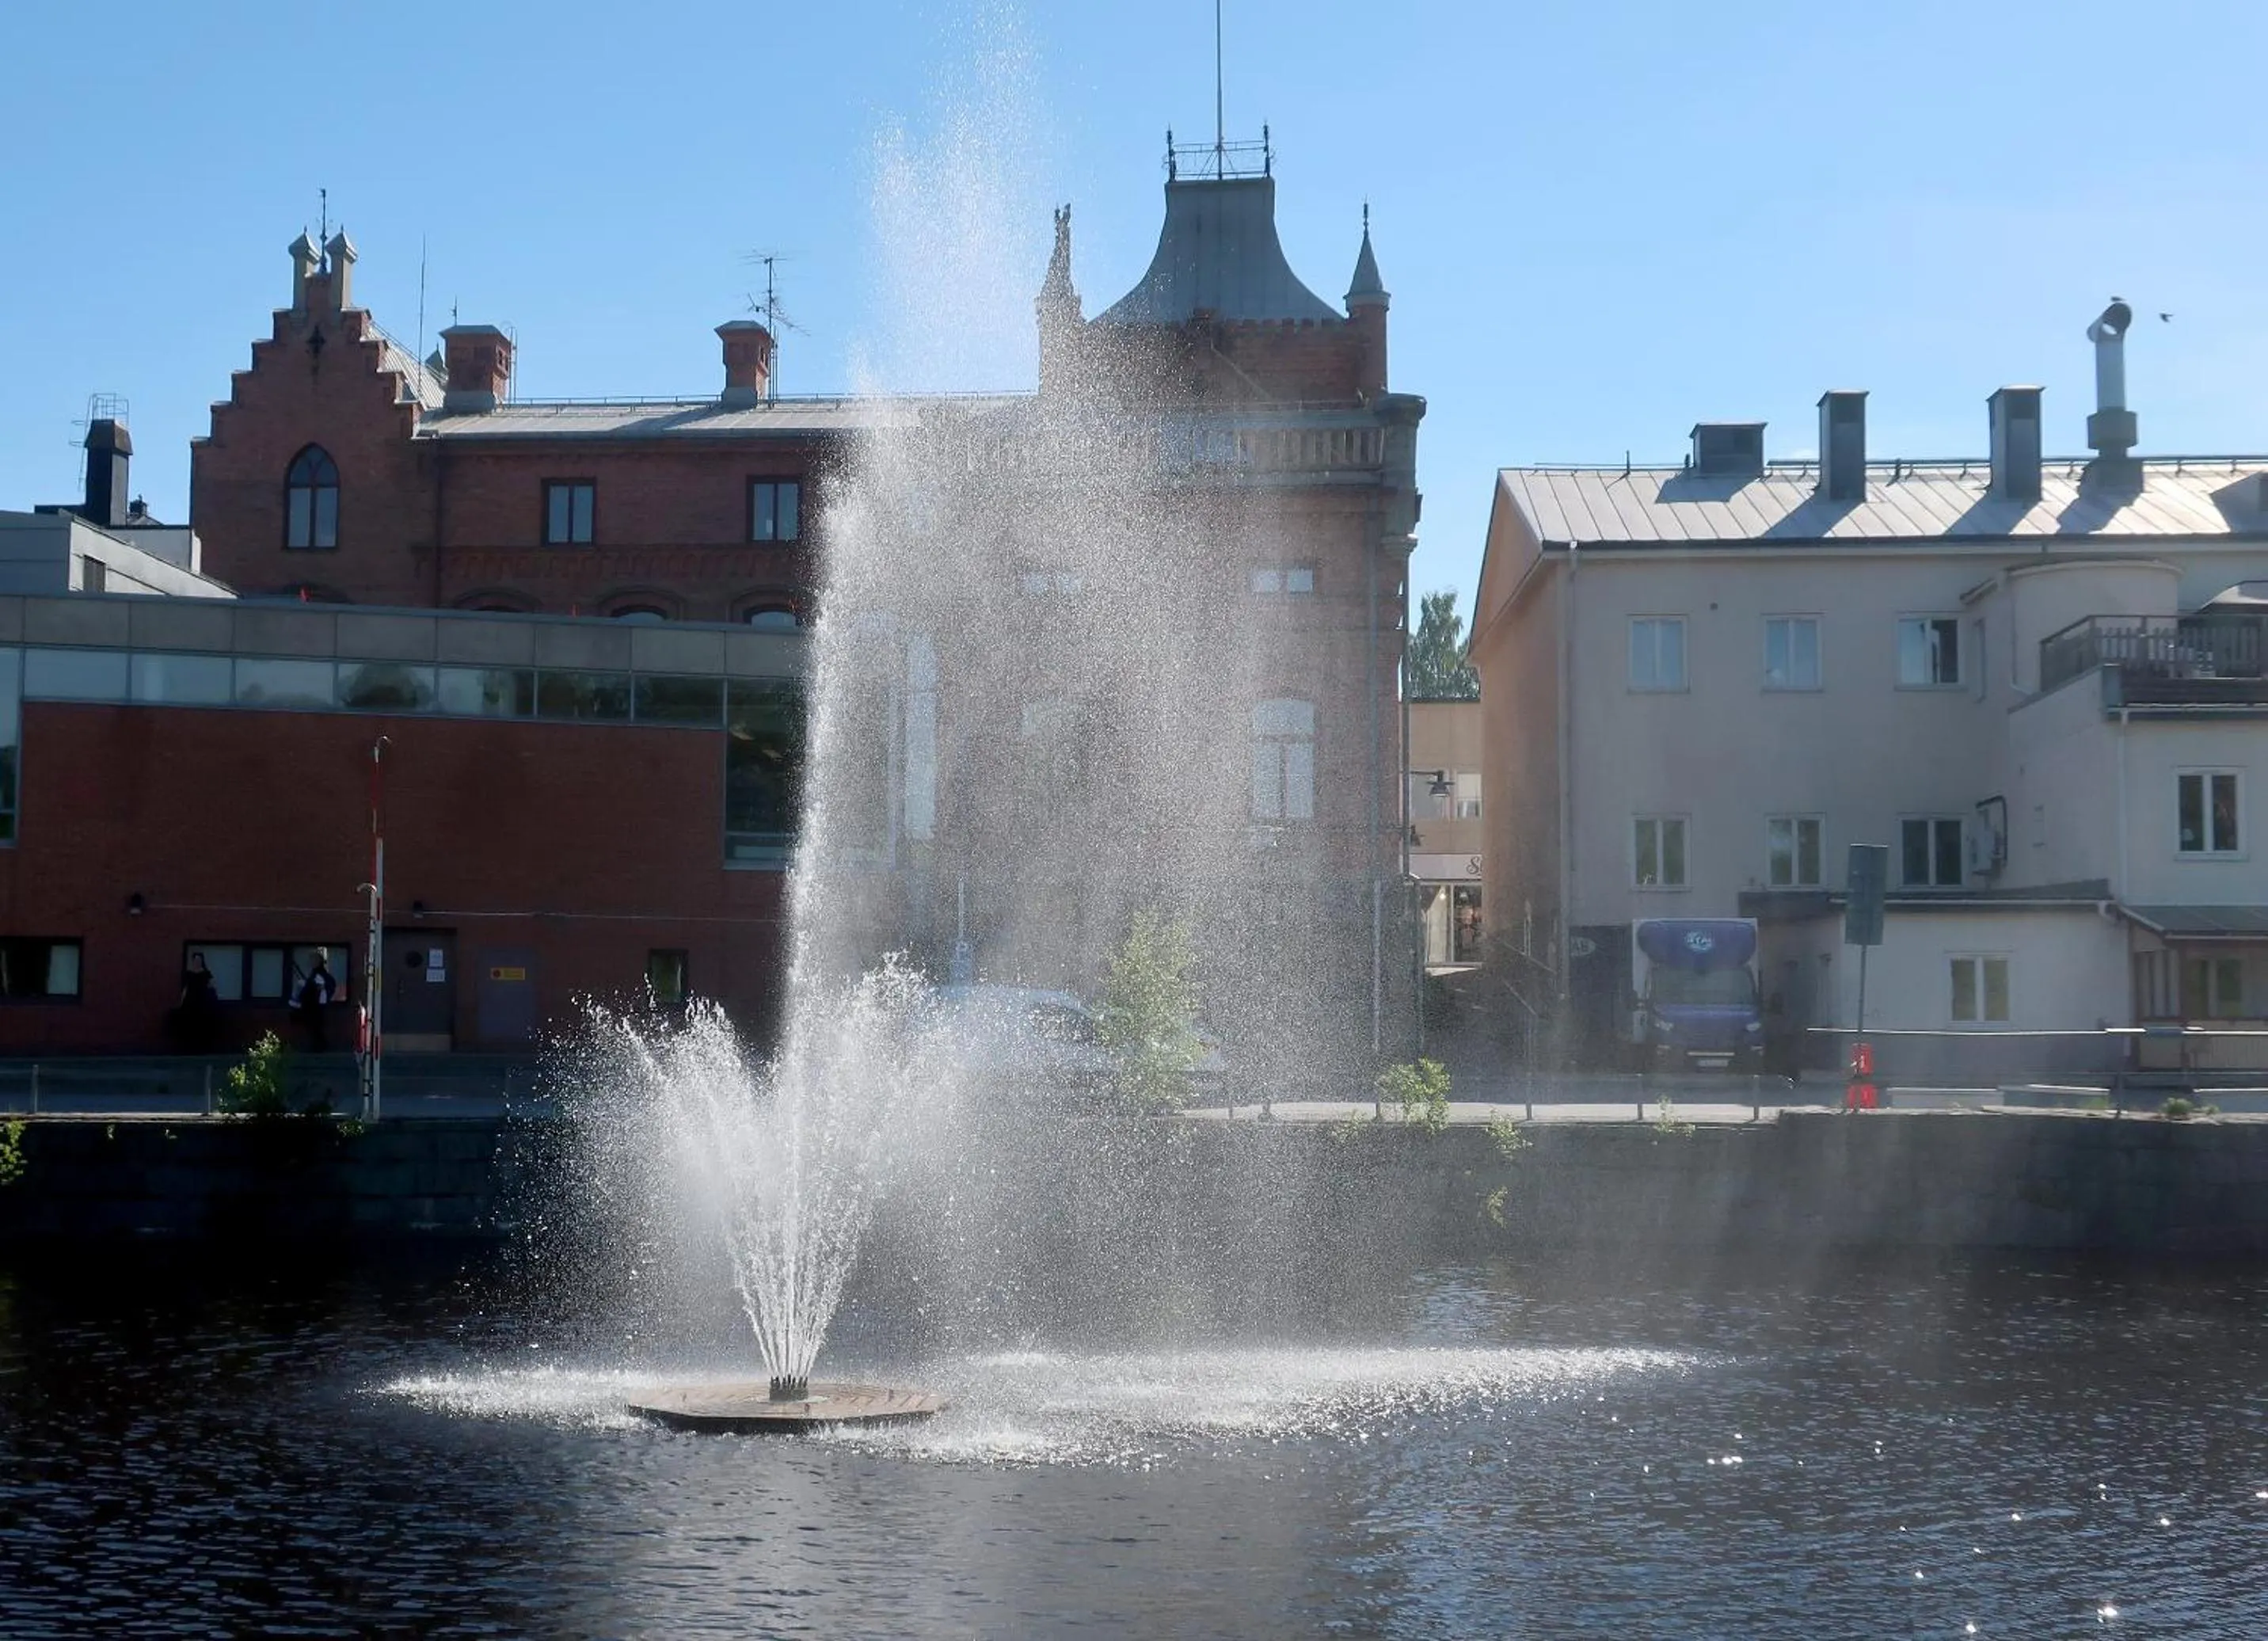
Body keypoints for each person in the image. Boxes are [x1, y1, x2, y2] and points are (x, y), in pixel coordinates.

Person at [174, 951, 220, 1053]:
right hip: (190, 1000)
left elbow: (212, 985)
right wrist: (181, 1002)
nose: (197, 962)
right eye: (195, 960)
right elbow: (185, 989)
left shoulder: (206, 973)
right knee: (190, 1023)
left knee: (201, 1022)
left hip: (202, 1000)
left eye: (199, 960)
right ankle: (189, 1046)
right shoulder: (189, 973)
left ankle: (201, 1046)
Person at [296, 953, 338, 1052]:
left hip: (316, 1006)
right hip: (313, 1005)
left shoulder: (320, 974)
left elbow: (328, 985)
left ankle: (319, 1047)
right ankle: (318, 1046)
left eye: (313, 960)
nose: (311, 963)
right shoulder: (315, 974)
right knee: (315, 1027)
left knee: (316, 1027)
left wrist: (321, 988)